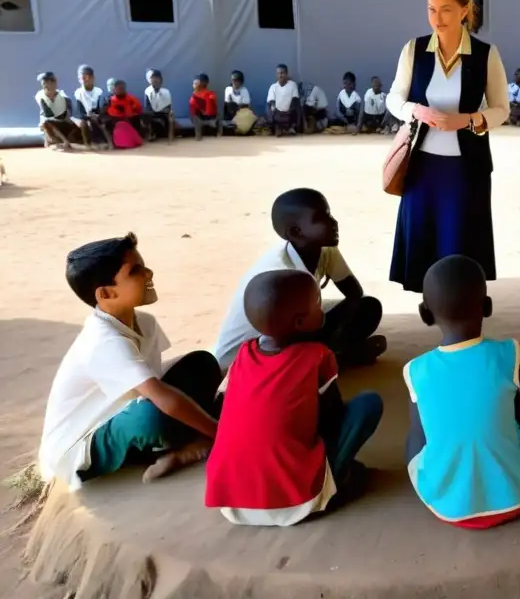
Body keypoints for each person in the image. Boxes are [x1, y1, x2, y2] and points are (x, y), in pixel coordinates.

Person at [38, 233, 221, 490]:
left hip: (126, 409)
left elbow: (155, 385)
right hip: (83, 444)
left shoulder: (145, 322)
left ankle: (191, 442)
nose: (148, 273)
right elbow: (159, 398)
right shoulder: (103, 342)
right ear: (106, 293)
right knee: (151, 416)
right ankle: (189, 445)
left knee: (201, 363)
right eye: (135, 271)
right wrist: (223, 434)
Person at [205, 269, 383, 525]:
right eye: (318, 304)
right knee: (368, 405)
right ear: (300, 322)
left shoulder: (243, 355)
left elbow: (225, 406)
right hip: (295, 500)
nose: (323, 309)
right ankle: (335, 481)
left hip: (232, 502)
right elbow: (333, 418)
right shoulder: (318, 356)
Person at [386, 0, 510, 293]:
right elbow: (394, 98)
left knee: (461, 236)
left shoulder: (486, 53)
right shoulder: (414, 50)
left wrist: (467, 120)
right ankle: (431, 299)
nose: (436, 18)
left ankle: (461, 300)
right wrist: (417, 110)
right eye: (431, 9)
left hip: (466, 167)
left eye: (445, 10)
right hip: (421, 165)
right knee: (423, 236)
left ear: (465, 10)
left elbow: (501, 109)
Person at [403, 255, 520, 528]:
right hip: (517, 496)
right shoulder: (507, 353)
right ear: (487, 306)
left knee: (414, 438)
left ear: (425, 314)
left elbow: (422, 437)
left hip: (449, 506)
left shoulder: (416, 370)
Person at [213, 188, 386, 371]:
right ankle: (332, 361)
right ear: (296, 232)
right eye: (321, 218)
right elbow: (283, 336)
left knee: (368, 307)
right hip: (247, 358)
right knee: (310, 324)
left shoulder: (325, 249)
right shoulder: (283, 274)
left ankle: (333, 357)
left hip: (287, 328)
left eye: (330, 215)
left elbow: (354, 294)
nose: (334, 222)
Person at [35, 71, 79, 151]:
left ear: (53, 83)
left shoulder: (63, 96)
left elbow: (66, 115)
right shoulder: (39, 95)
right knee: (46, 122)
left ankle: (65, 142)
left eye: (45, 81)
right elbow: (48, 114)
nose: (43, 84)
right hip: (49, 126)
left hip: (63, 124)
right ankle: (57, 142)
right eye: (43, 82)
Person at [74, 64, 112, 149]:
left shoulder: (99, 91)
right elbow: (80, 111)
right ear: (79, 80)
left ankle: (102, 140)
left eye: (87, 77)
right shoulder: (78, 93)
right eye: (82, 78)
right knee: (84, 123)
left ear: (93, 78)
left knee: (103, 120)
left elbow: (100, 108)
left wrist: (97, 115)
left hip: (97, 115)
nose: (85, 80)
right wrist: (87, 116)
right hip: (86, 116)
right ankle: (87, 143)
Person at [105, 78, 148, 143]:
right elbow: (112, 113)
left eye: (123, 89)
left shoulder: (131, 98)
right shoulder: (111, 101)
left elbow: (138, 109)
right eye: (119, 89)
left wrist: (133, 112)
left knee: (142, 116)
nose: (121, 91)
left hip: (131, 120)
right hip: (118, 123)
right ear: (115, 90)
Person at [267, 64, 300, 136]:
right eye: (278, 73)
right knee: (269, 110)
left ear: (286, 74)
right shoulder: (273, 87)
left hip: (289, 113)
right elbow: (271, 102)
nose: (280, 75)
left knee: (297, 107)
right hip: (277, 113)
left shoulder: (292, 84)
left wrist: (290, 110)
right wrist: (274, 110)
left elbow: (295, 100)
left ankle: (289, 127)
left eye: (282, 73)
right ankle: (279, 127)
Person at [143, 69, 175, 143]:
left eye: (157, 78)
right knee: (145, 115)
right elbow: (147, 105)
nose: (155, 80)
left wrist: (165, 110)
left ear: (161, 80)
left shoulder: (166, 91)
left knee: (170, 115)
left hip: (164, 111)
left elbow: (168, 105)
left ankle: (170, 135)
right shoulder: (147, 91)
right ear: (149, 80)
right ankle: (151, 133)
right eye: (152, 78)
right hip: (152, 112)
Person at [189, 74, 220, 141]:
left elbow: (213, 108)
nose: (199, 83)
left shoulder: (211, 94)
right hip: (200, 118)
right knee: (196, 118)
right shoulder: (194, 95)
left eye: (201, 81)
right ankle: (198, 135)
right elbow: (193, 110)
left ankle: (214, 128)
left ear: (205, 83)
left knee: (216, 117)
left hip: (210, 117)